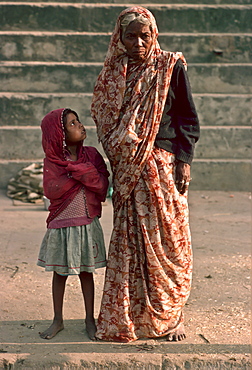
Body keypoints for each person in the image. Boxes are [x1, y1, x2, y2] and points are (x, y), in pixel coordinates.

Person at [91, 6, 200, 343]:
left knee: (168, 243)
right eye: (131, 36)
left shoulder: (170, 66)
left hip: (163, 166)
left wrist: (184, 159)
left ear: (154, 34)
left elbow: (187, 117)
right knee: (131, 244)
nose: (138, 42)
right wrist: (123, 151)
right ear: (119, 38)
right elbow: (105, 119)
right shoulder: (114, 73)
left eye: (145, 35)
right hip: (129, 171)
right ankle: (131, 317)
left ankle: (172, 315)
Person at [37, 108, 109, 340]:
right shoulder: (53, 161)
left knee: (86, 272)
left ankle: (90, 319)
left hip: (86, 223)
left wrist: (82, 171)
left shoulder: (92, 156)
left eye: (78, 121)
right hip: (61, 224)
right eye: (72, 124)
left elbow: (102, 185)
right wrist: (77, 173)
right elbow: (52, 189)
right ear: (59, 134)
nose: (80, 125)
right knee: (60, 273)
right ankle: (58, 319)